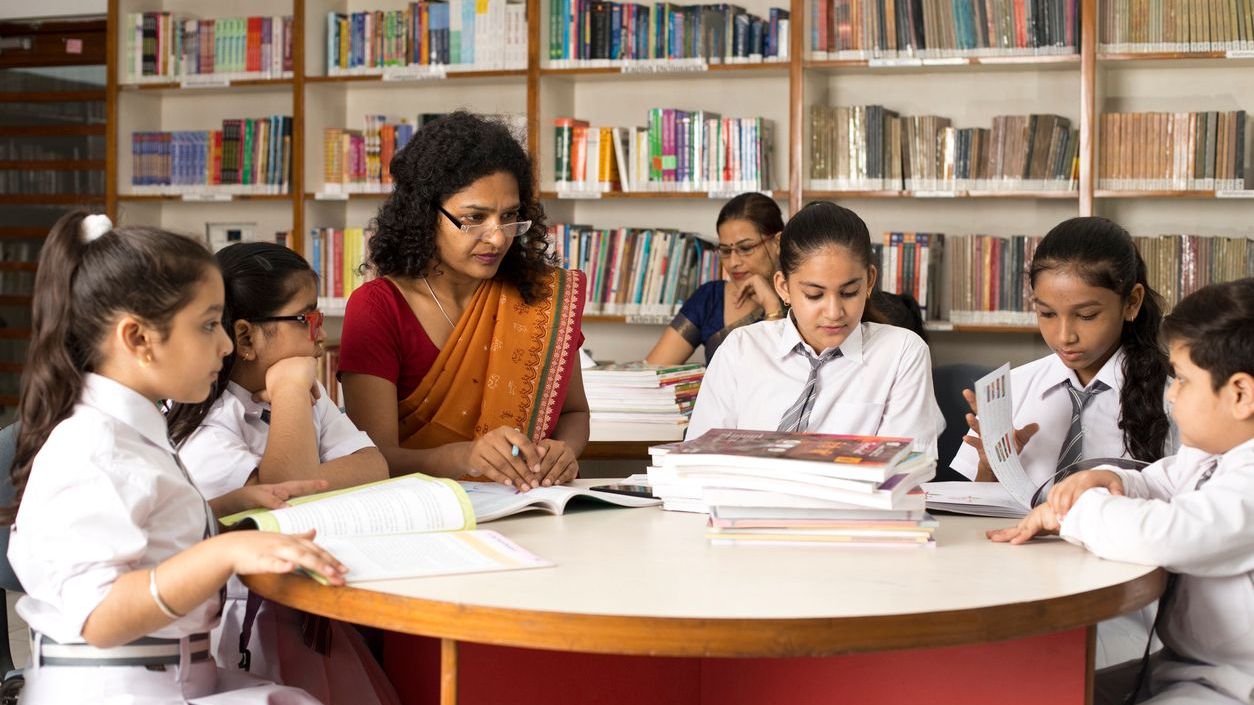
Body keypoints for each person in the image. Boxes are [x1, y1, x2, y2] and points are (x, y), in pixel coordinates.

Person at [6, 211, 344, 704]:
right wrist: (222, 552)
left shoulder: (132, 429)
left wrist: (229, 507)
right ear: (138, 339)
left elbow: (148, 539)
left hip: (174, 676)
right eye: (209, 325)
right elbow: (98, 617)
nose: (227, 344)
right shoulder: (92, 450)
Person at [989, 277, 1254, 705]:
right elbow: (1162, 480)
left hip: (1232, 688)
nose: (1171, 394)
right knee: (1040, 691)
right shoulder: (1215, 454)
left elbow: (1169, 533)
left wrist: (1074, 512)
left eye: (1183, 380)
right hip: (1184, 669)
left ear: (1240, 394)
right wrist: (1113, 479)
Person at [167, 242, 397, 705]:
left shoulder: (304, 386)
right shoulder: (207, 425)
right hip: (239, 630)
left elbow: (374, 465)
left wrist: (299, 468)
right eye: (306, 318)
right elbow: (286, 505)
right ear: (247, 338)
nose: (321, 331)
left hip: (305, 613)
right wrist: (291, 392)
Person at [338, 111, 589, 492]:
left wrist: (564, 450)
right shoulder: (378, 307)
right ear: (424, 214)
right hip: (422, 513)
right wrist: (463, 457)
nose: (498, 238)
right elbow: (372, 457)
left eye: (510, 216)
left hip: (528, 503)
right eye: (474, 218)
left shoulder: (538, 298)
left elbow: (574, 412)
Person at [685, 201, 943, 457]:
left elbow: (904, 472)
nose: (834, 312)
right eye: (814, 295)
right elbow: (699, 461)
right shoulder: (740, 349)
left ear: (869, 282)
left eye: (849, 292)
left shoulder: (902, 353)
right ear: (783, 287)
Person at [951, 217, 1172, 489]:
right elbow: (977, 509)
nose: (1064, 336)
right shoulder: (1012, 389)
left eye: (1086, 315)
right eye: (1047, 314)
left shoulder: (1175, 398)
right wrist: (992, 466)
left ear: (1132, 303)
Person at [645, 192, 785, 364]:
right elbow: (653, 370)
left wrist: (772, 307)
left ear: (777, 242)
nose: (733, 262)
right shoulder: (710, 299)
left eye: (746, 248)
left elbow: (778, 379)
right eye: (725, 251)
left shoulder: (803, 299)